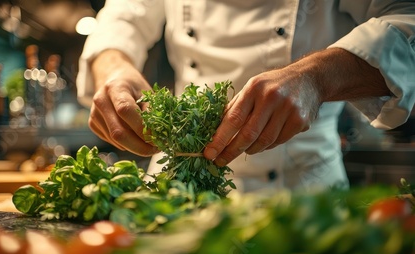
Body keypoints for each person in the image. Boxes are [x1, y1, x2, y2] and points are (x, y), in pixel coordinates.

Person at [76, 0, 415, 191]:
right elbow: (125, 15)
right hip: (174, 190)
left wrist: (316, 78)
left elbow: (406, 15)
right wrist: (113, 68)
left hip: (299, 193)